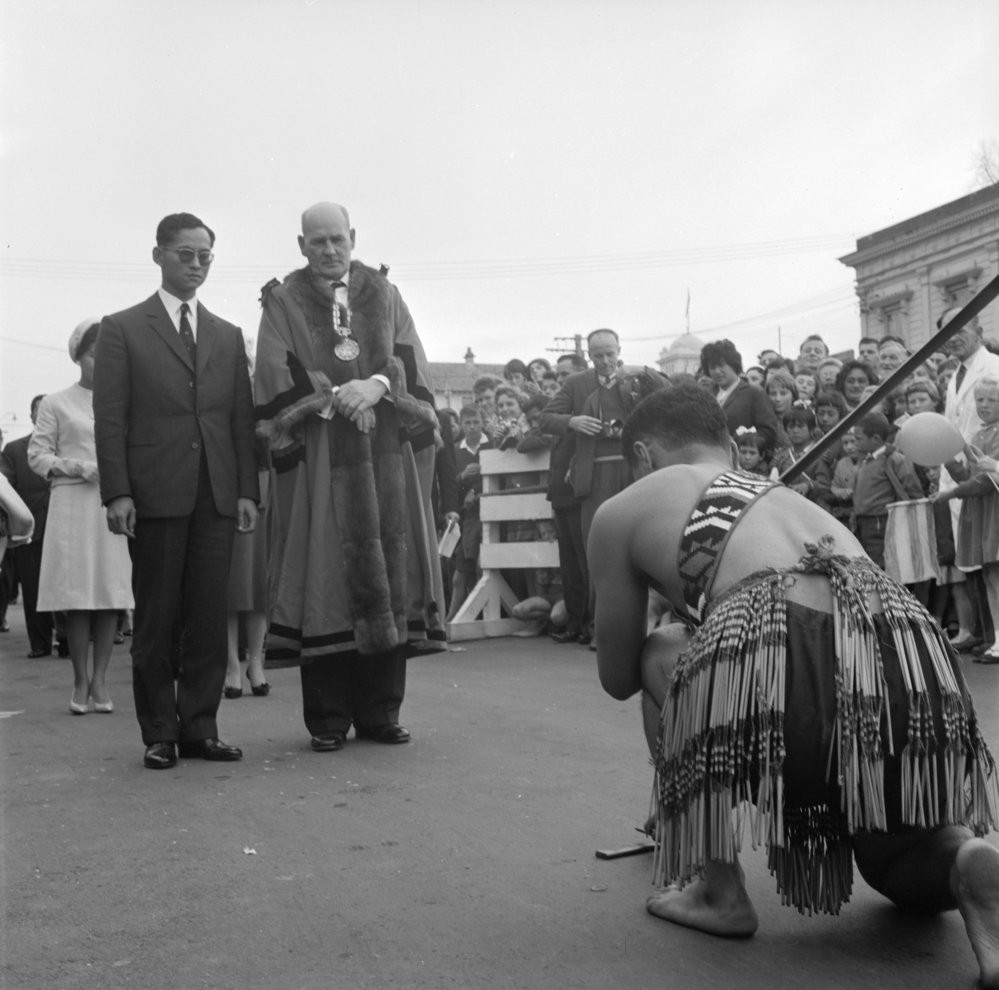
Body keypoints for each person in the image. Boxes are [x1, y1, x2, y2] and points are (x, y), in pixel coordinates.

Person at [588, 385, 999, 987]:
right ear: (730, 446)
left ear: (644, 456)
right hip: (914, 662)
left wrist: (675, 604)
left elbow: (618, 677)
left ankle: (716, 885)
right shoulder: (784, 497)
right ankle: (967, 858)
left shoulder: (626, 507)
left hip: (789, 666)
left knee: (665, 651)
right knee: (899, 863)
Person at [254, 201, 445, 753]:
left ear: (353, 238)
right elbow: (273, 368)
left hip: (384, 448)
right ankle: (330, 719)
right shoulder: (283, 299)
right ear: (302, 245)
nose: (329, 249)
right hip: (324, 453)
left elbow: (411, 355)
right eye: (318, 241)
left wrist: (380, 386)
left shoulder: (385, 294)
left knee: (392, 572)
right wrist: (337, 396)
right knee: (328, 579)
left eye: (337, 238)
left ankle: (382, 712)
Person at [94, 213, 259, 769]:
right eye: (185, 254)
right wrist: (118, 492)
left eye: (204, 256)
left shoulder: (227, 335)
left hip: (215, 494)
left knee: (210, 619)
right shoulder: (121, 328)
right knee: (159, 617)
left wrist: (245, 492)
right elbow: (110, 419)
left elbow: (239, 421)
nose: (195, 265)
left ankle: (201, 728)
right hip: (155, 493)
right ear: (159, 254)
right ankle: (160, 731)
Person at [32, 320, 134, 714]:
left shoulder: (122, 402)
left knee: (109, 594)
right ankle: (78, 680)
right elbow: (37, 455)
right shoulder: (56, 403)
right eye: (93, 355)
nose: (100, 363)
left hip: (113, 502)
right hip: (73, 503)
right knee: (78, 595)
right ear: (79, 357)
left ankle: (101, 680)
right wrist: (77, 467)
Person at [935, 376, 999, 662]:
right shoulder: (979, 436)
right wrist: (948, 459)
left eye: (992, 400)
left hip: (995, 513)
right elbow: (973, 478)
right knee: (989, 576)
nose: (984, 405)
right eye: (980, 399)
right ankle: (996, 637)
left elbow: (987, 480)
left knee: (996, 576)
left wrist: (952, 494)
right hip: (984, 514)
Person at [1, 396, 55, 657]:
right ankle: (40, 643)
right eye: (40, 412)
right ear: (32, 417)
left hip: (65, 528)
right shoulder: (13, 450)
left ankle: (68, 640)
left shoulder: (69, 447)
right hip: (31, 531)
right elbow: (5, 489)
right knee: (33, 588)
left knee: (66, 585)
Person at [851, 412, 923, 569]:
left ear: (876, 439)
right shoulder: (867, 460)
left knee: (880, 565)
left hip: (881, 522)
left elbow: (912, 490)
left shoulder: (893, 460)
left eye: (858, 439)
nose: (855, 443)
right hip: (863, 522)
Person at [699, 339, 778, 449]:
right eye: (712, 367)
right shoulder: (705, 396)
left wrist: (742, 440)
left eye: (721, 365)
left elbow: (769, 432)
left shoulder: (754, 393)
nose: (717, 371)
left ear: (733, 365)